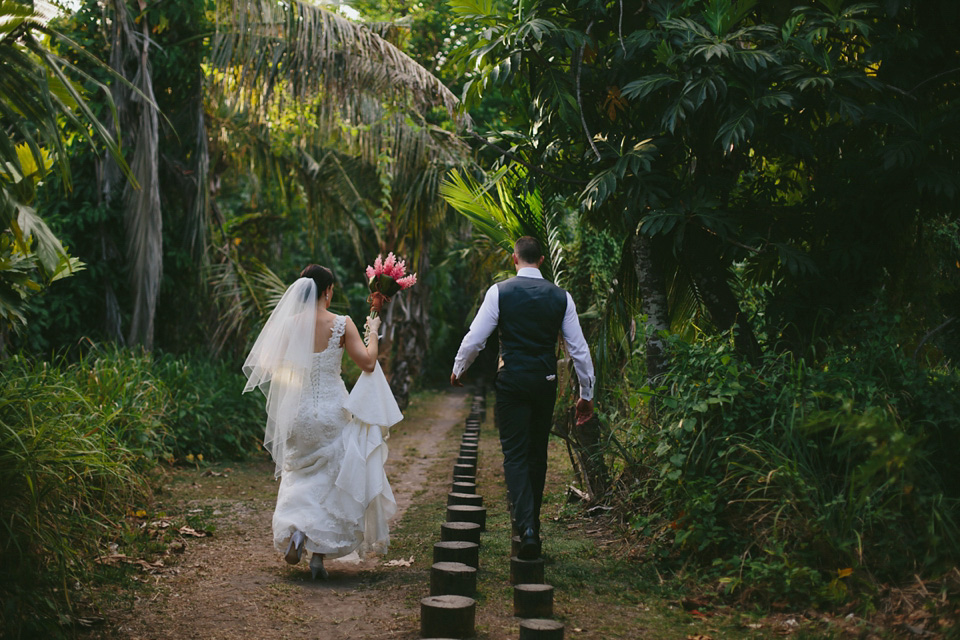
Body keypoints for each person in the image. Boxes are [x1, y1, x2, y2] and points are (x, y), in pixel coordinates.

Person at [243, 265, 402, 579]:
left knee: (299, 475)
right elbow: (368, 363)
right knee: (331, 480)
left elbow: (269, 366)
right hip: (332, 411)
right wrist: (373, 330)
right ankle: (317, 558)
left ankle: (298, 531)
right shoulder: (342, 324)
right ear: (328, 291)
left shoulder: (287, 326)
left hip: (297, 413)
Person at [451, 236, 595, 560]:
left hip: (512, 381)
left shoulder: (499, 292)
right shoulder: (561, 297)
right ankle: (533, 527)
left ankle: (527, 528)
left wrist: (459, 368)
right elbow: (579, 350)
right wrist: (587, 394)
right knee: (537, 454)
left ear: (514, 259)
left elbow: (476, 338)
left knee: (515, 455)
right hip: (544, 381)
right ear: (541, 260)